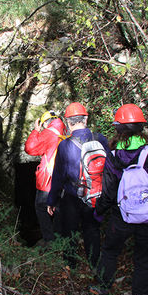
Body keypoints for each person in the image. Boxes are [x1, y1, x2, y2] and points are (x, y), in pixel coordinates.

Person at [92, 104, 148, 295]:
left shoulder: (113, 157)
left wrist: (99, 212)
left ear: (117, 129)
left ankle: (104, 290)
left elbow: (108, 193)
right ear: (142, 127)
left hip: (121, 218)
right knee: (143, 259)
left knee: (110, 252)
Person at [46, 102, 109, 269]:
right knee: (92, 231)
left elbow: (58, 177)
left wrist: (51, 201)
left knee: (69, 232)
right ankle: (95, 266)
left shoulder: (65, 145)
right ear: (86, 119)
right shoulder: (100, 139)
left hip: (72, 197)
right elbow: (110, 170)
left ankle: (70, 266)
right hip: (95, 195)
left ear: (68, 122)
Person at [24, 110, 67, 245]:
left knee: (41, 207)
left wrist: (36, 131)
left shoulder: (49, 133)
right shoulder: (66, 132)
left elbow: (30, 148)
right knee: (59, 207)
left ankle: (49, 239)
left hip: (49, 180)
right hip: (65, 178)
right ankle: (59, 236)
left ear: (45, 123)